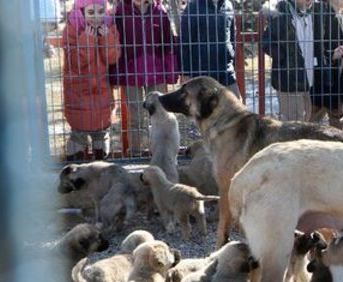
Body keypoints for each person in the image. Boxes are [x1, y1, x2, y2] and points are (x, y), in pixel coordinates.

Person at [110, 0, 179, 155]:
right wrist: (116, 73)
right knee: (135, 116)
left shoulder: (160, 11)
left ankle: (160, 151)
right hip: (130, 73)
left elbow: (168, 43)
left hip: (156, 72)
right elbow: (115, 45)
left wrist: (170, 71)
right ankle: (135, 152)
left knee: (160, 114)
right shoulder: (120, 12)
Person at [63, 0, 122, 161]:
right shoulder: (72, 28)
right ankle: (76, 155)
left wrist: (106, 38)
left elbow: (112, 58)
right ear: (81, 12)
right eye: (91, 12)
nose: (96, 17)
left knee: (101, 126)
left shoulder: (109, 27)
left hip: (102, 87)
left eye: (100, 12)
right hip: (78, 88)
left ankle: (100, 153)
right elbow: (75, 62)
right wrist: (87, 39)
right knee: (79, 127)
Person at [262, 0, 336, 122]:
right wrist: (284, 58)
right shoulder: (281, 13)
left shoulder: (317, 11)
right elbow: (266, 42)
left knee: (305, 117)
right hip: (289, 81)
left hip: (308, 79)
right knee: (293, 123)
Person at [309, 0, 343, 129]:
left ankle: (339, 140)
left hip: (339, 75)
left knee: (338, 117)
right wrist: (331, 55)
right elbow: (314, 45)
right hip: (320, 76)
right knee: (313, 118)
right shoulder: (317, 12)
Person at [179, 0, 239, 94]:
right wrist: (185, 73)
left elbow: (232, 36)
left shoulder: (228, 5)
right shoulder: (193, 7)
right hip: (201, 72)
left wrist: (232, 57)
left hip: (226, 70)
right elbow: (184, 42)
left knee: (236, 101)